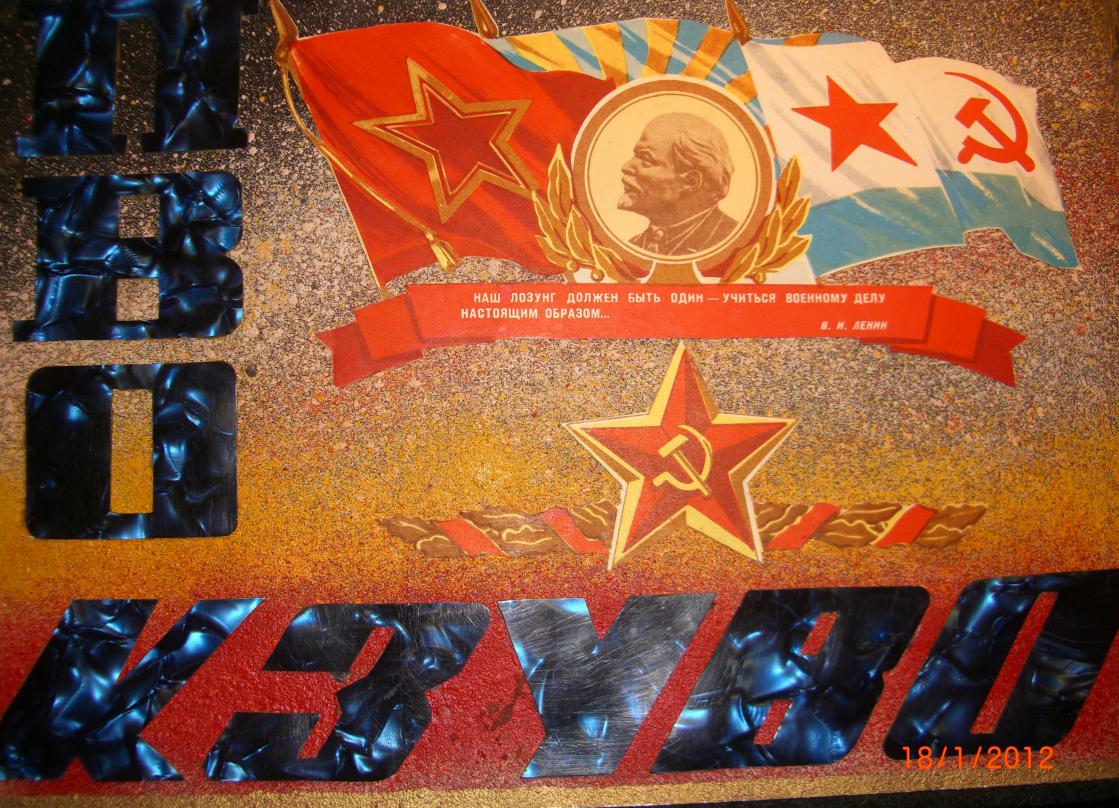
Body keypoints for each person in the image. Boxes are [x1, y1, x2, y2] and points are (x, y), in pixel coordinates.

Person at [618, 112, 740, 256]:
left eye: (646, 160)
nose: (626, 167)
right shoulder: (634, 245)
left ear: (691, 181)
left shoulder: (733, 242)